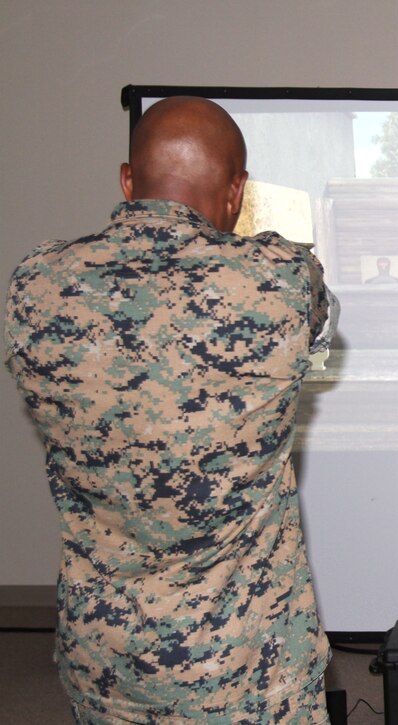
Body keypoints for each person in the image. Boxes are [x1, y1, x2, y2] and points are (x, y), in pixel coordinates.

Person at [5, 97, 337, 723]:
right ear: (236, 192)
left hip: (108, 660)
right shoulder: (279, 280)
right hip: (249, 669)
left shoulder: (38, 285)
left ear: (128, 182)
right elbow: (323, 322)